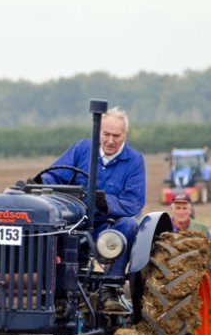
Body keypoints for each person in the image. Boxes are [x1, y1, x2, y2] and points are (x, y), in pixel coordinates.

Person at [37, 107, 145, 310]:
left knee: (129, 225)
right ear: (98, 133)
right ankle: (48, 286)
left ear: (124, 136)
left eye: (116, 135)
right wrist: (41, 181)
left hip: (105, 227)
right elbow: (56, 173)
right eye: (106, 134)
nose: (110, 140)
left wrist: (107, 203)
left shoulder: (134, 160)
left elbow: (134, 201)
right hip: (72, 222)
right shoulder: (81, 149)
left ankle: (110, 288)